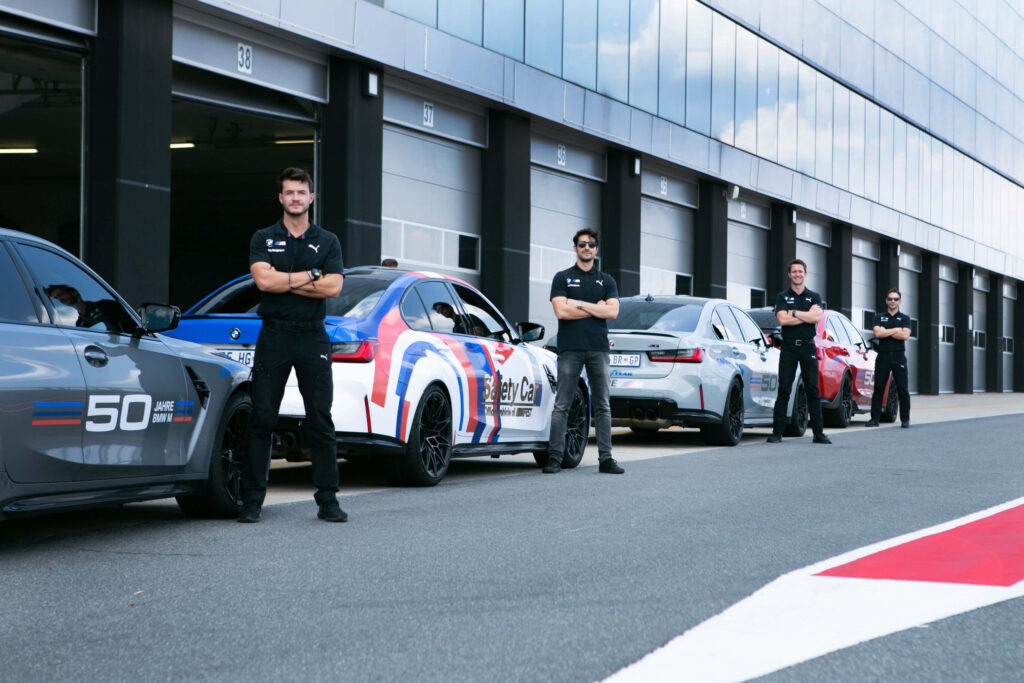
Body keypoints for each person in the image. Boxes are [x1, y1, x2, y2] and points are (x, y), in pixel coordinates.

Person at [239, 167, 347, 523]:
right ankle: (252, 500)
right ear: (280, 198)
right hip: (275, 334)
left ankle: (328, 500)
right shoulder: (263, 237)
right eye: (289, 192)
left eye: (301, 192)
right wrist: (310, 276)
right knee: (262, 417)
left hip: (313, 335)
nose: (296, 198)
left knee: (320, 419)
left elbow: (334, 287)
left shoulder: (327, 240)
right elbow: (263, 283)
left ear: (311, 198)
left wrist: (283, 280)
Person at [545, 229, 624, 474]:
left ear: (596, 249)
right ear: (575, 248)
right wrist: (595, 308)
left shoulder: (607, 281)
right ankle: (554, 458)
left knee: (603, 406)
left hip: (598, 348)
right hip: (570, 348)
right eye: (582, 244)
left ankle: (606, 459)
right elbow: (561, 311)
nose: (586, 248)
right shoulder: (562, 278)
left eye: (591, 244)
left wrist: (577, 303)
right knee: (562, 405)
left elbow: (612, 312)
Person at [768, 259, 831, 445]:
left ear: (805, 274)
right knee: (784, 389)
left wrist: (793, 313)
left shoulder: (814, 297)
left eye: (800, 271)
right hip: (788, 347)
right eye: (794, 271)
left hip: (807, 346)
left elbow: (816, 318)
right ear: (789, 274)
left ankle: (818, 434)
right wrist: (805, 315)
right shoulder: (782, 297)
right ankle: (777, 433)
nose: (797, 274)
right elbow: (782, 320)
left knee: (812, 389)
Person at [866, 288, 912, 428]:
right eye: (890, 299)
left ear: (900, 301)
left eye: (895, 299)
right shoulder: (879, 317)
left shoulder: (905, 318)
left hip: (899, 356)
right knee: (878, 388)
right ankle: (875, 419)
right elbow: (877, 334)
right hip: (883, 356)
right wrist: (896, 330)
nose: (893, 301)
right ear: (886, 301)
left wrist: (885, 331)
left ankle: (905, 420)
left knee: (902, 389)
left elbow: (905, 336)